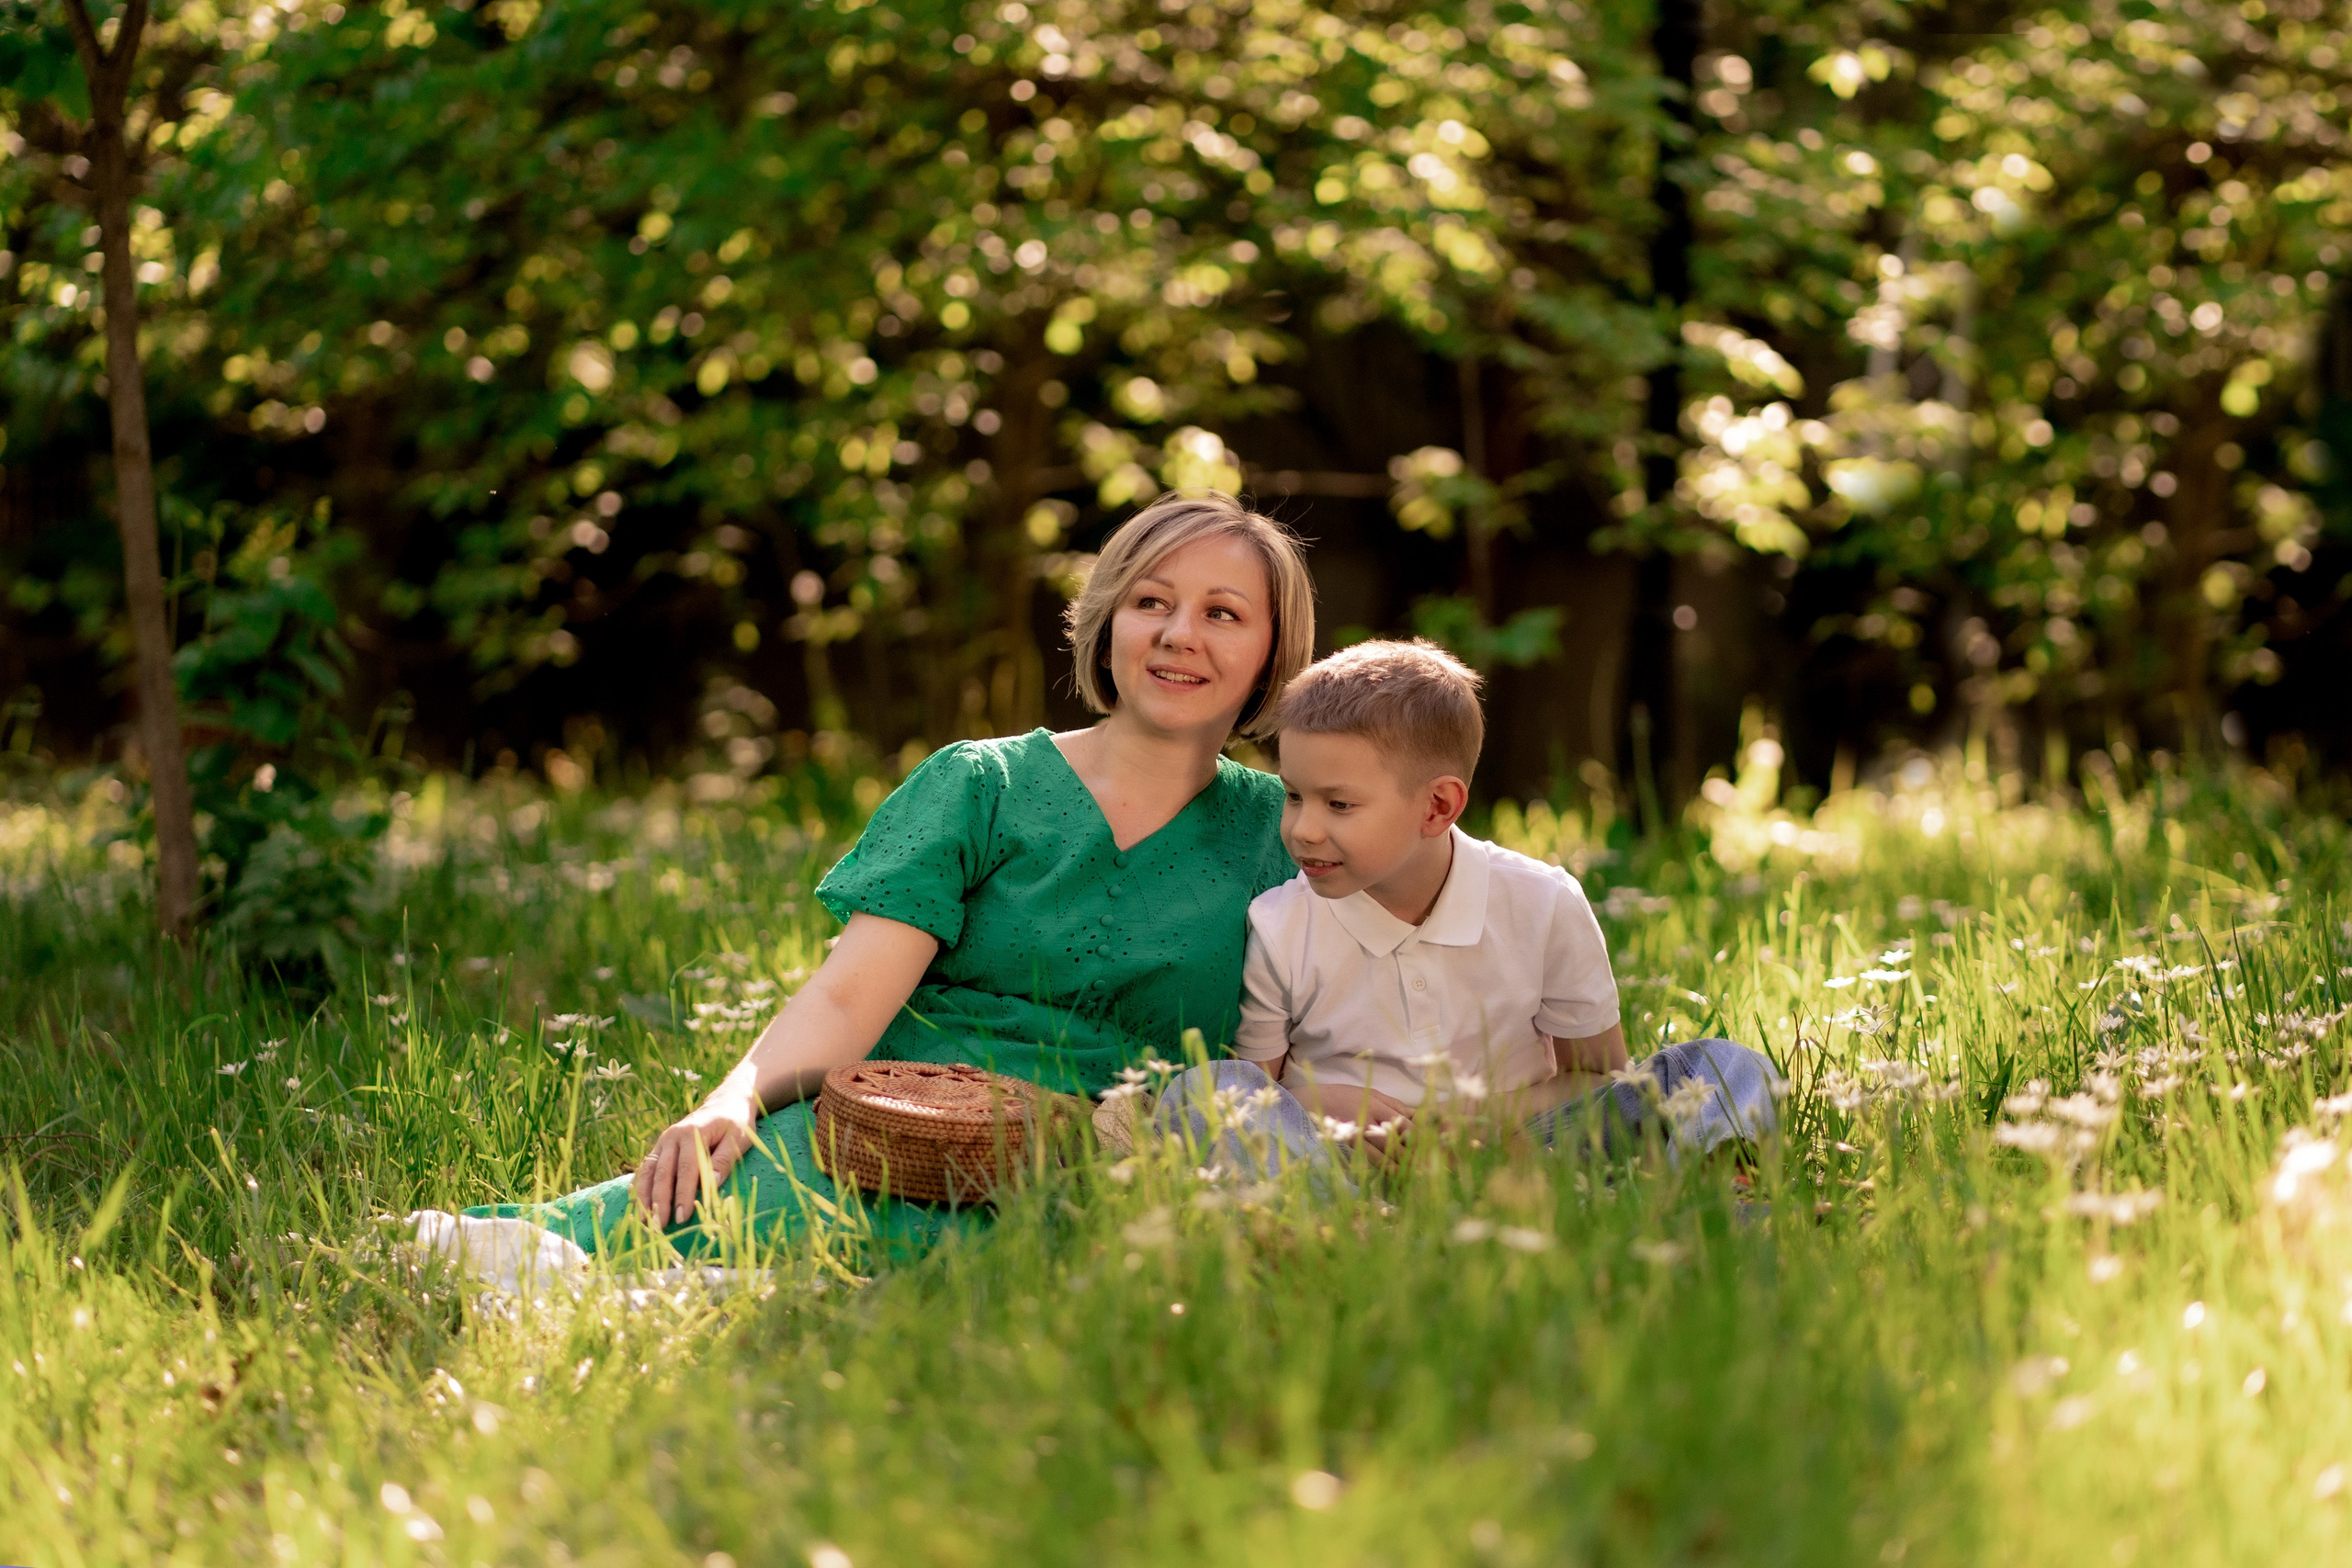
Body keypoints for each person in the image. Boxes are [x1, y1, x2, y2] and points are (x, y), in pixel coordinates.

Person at [412, 491, 1317, 1286]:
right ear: (1108, 622)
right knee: (532, 1248)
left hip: (1096, 1179)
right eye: (1150, 602)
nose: (1178, 634)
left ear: (1272, 649)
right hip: (886, 1137)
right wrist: (729, 1101)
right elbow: (848, 993)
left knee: (996, 1280)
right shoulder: (982, 785)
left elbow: (1296, 1057)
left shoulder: (1286, 836)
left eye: (1223, 614)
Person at [1153, 638, 1781, 1174]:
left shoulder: (1543, 901)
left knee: (1723, 1066)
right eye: (1294, 795)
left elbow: (1599, 1081)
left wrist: (1474, 1123)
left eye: (1338, 804)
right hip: (1348, 1155)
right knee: (1206, 1089)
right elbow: (1258, 1086)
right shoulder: (1280, 921)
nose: (1303, 829)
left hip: (1519, 1144)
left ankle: (1725, 1194)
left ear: (1437, 807)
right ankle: (1320, 1224)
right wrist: (1325, 1100)